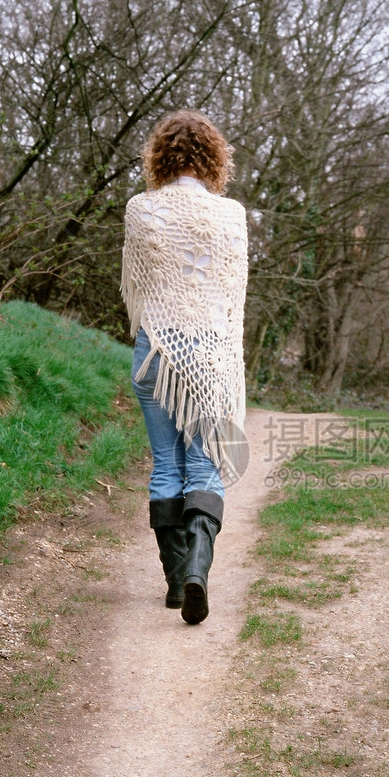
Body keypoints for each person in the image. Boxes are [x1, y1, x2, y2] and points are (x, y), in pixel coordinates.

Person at [121, 109, 248, 624]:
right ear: (215, 157)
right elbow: (232, 296)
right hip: (211, 355)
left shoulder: (141, 210)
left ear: (160, 155)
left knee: (166, 466)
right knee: (205, 465)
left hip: (155, 352)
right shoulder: (231, 215)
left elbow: (134, 285)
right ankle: (198, 571)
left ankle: (176, 582)